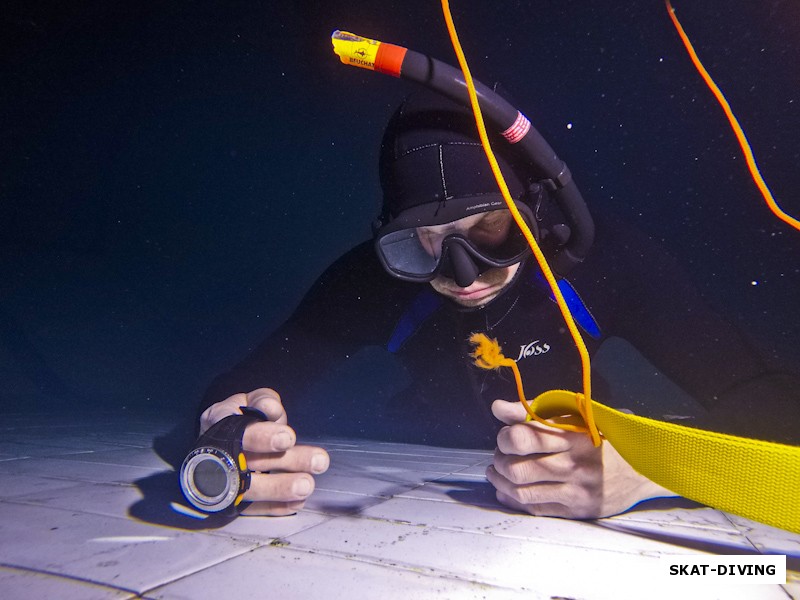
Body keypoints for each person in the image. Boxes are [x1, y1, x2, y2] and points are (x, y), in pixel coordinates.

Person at [195, 89, 799, 519]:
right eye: (422, 244)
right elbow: (240, 388)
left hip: (588, 435)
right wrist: (230, 439)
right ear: (389, 240)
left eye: (491, 229)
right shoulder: (368, 281)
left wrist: (647, 470)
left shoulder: (610, 262)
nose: (463, 277)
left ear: (535, 211)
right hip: (431, 435)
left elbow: (771, 402)